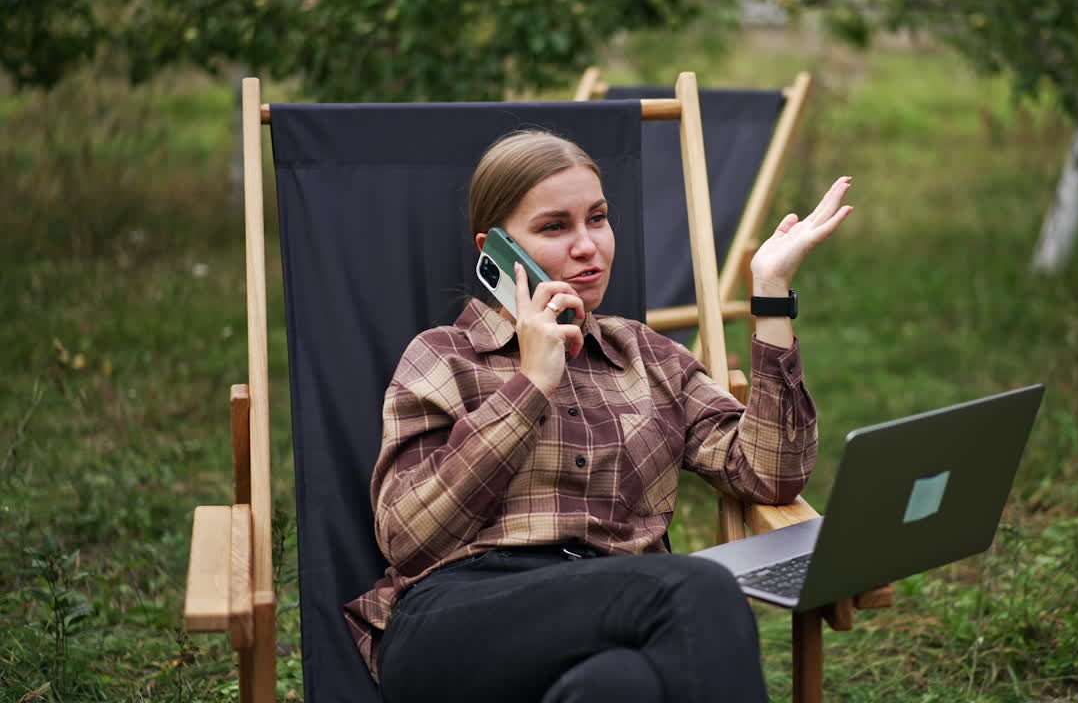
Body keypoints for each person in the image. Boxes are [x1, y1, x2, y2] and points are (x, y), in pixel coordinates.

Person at [343, 130, 854, 702]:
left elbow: (770, 473)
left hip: (615, 606)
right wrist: (530, 384)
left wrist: (770, 292)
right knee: (697, 587)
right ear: (494, 251)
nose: (588, 246)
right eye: (555, 227)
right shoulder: (444, 356)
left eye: (598, 218)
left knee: (618, 687)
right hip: (459, 615)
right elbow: (407, 537)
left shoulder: (649, 356)